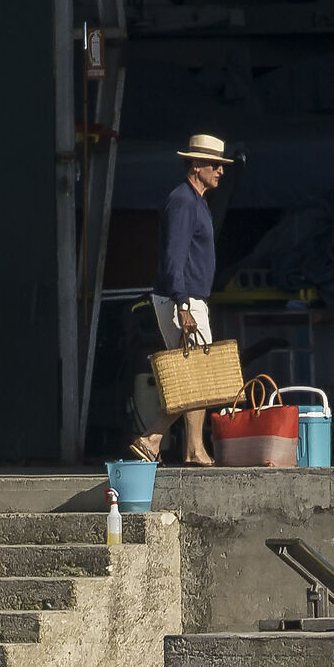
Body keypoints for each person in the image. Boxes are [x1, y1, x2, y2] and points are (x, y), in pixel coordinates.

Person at [130, 134, 235, 466]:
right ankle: (154, 437)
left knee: (195, 376)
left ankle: (192, 448)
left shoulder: (196, 200)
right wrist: (183, 304)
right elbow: (174, 258)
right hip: (183, 299)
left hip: (187, 297)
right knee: (196, 376)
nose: (220, 170)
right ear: (196, 165)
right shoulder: (184, 201)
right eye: (215, 165)